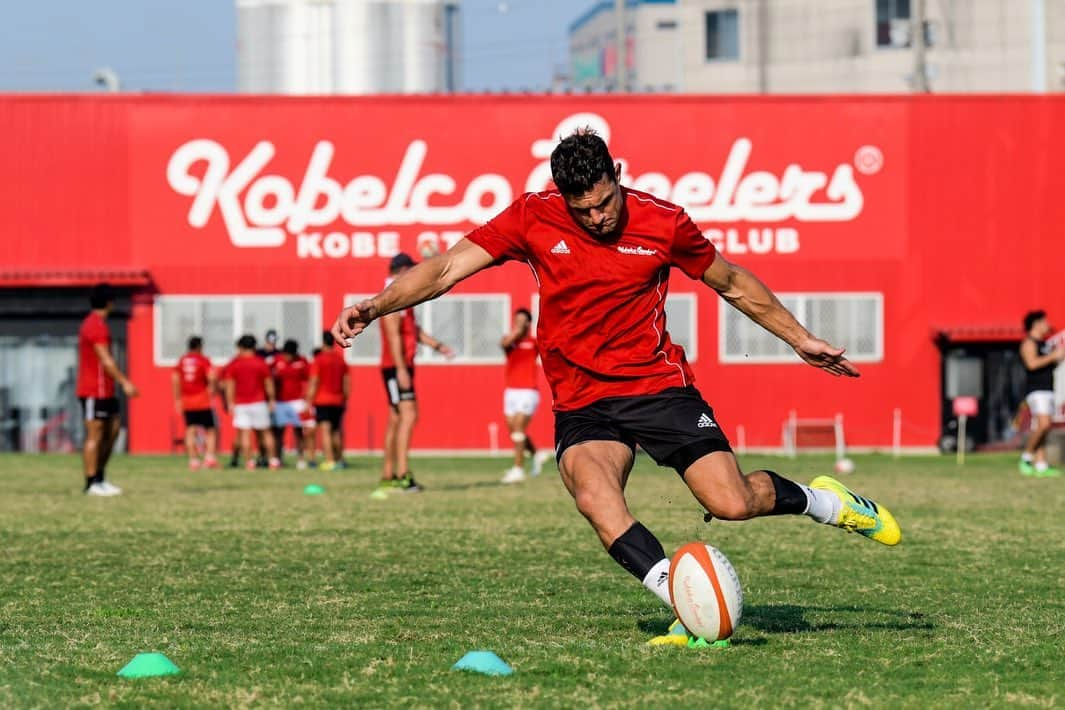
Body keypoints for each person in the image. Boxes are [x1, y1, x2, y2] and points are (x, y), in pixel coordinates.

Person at [332, 130, 901, 644]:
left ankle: (829, 502)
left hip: (658, 387)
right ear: (563, 198)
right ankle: (684, 603)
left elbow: (730, 282)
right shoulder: (533, 216)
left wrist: (798, 338)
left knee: (730, 502)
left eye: (605, 202)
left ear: (618, 175)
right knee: (594, 497)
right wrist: (373, 306)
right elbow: (446, 268)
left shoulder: (664, 222)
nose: (599, 217)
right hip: (583, 400)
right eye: (584, 210)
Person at [371, 253, 455, 497]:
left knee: (396, 418)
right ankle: (402, 475)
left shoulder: (400, 296)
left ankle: (389, 475)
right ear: (402, 270)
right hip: (397, 367)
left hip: (398, 366)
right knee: (409, 415)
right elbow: (393, 333)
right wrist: (400, 369)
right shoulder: (391, 294)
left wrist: (438, 346)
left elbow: (412, 332)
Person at [77, 283, 138, 496]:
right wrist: (125, 382)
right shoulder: (94, 326)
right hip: (93, 390)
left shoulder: (100, 324)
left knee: (112, 431)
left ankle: (100, 477)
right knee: (95, 434)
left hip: (106, 390)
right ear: (110, 302)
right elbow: (106, 359)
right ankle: (91, 482)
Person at [500, 307, 549, 484]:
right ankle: (537, 454)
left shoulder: (533, 342)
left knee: (519, 431)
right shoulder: (510, 341)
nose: (519, 323)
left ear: (529, 323)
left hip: (528, 391)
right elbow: (504, 344)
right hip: (511, 391)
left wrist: (524, 331)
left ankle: (518, 469)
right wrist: (517, 331)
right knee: (514, 431)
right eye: (517, 320)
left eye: (522, 321)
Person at [1018, 310, 1065, 477]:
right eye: (1045, 321)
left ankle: (1041, 465)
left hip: (1048, 389)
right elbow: (1031, 364)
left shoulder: (1045, 344)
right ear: (1036, 324)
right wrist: (1053, 356)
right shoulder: (1029, 343)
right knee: (1043, 425)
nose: (1048, 325)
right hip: (1036, 391)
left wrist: (1058, 357)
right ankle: (1026, 458)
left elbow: (1049, 364)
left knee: (1044, 429)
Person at [223, 334, 280, 471]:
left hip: (241, 403)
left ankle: (249, 462)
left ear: (241, 347)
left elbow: (230, 385)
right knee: (266, 432)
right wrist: (272, 400)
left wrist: (230, 402)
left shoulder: (235, 364)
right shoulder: (261, 363)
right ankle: (273, 461)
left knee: (245, 433)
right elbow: (268, 384)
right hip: (259, 403)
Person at [171, 335, 219, 470]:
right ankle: (209, 458)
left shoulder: (182, 360)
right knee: (210, 430)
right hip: (203, 400)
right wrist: (212, 389)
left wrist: (177, 399)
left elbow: (175, 379)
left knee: (190, 430)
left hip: (187, 401)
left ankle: (193, 460)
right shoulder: (203, 360)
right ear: (200, 346)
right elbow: (212, 376)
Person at [306, 331, 350, 472]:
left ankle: (330, 461)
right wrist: (345, 397)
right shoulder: (340, 359)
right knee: (336, 431)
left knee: (325, 431)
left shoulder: (319, 359)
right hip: (337, 400)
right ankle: (340, 459)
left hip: (322, 400)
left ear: (323, 342)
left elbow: (314, 381)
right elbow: (346, 382)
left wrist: (309, 400)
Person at [273, 338, 315, 469]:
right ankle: (278, 459)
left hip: (297, 402)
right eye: (286, 354)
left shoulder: (302, 361)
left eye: (290, 354)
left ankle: (301, 459)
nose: (288, 357)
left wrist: (308, 399)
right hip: (280, 402)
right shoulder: (276, 361)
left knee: (299, 432)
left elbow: (311, 379)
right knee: (279, 432)